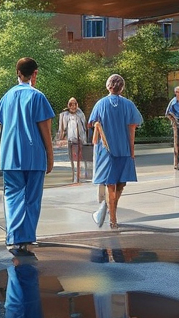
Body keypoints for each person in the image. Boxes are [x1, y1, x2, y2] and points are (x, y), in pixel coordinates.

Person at [0, 57, 55, 257]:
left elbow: (1, 129)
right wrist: (50, 155)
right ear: (34, 73)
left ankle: (13, 238)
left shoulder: (7, 96)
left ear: (17, 73)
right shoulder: (38, 97)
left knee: (12, 197)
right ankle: (27, 237)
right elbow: (45, 129)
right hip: (34, 155)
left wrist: (1, 154)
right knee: (32, 198)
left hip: (10, 155)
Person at [89, 73, 142, 229]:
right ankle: (112, 215)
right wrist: (132, 151)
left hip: (106, 152)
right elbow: (132, 128)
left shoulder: (100, 104)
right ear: (122, 87)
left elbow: (93, 124)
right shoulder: (129, 105)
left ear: (108, 86)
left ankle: (111, 216)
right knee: (120, 184)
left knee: (110, 184)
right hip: (124, 149)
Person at [57, 97, 89, 183]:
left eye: (75, 104)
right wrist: (60, 138)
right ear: (68, 105)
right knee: (72, 157)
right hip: (70, 139)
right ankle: (73, 174)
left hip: (80, 139)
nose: (73, 106)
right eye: (71, 104)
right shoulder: (64, 115)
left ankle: (81, 174)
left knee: (81, 157)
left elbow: (85, 127)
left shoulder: (80, 114)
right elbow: (62, 128)